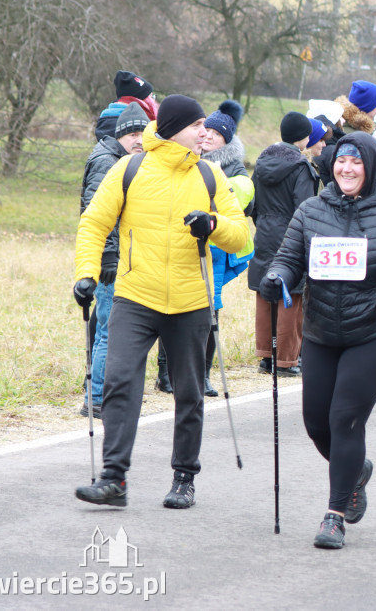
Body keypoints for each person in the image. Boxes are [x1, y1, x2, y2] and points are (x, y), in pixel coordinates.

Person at [73, 94, 250, 509]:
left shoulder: (209, 175)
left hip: (191, 302)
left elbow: (241, 234)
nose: (205, 132)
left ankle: (184, 478)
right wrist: (86, 273)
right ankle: (114, 480)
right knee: (119, 383)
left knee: (189, 393)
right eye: (197, 126)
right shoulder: (129, 169)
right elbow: (94, 223)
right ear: (174, 129)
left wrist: (213, 224)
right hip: (135, 297)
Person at [257, 132, 376, 549]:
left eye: (356, 162)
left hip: (374, 333)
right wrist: (277, 276)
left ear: (370, 167)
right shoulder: (311, 210)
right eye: (341, 161)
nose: (347, 168)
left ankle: (334, 514)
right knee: (316, 423)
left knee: (344, 419)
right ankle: (357, 470)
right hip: (320, 331)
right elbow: (288, 258)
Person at [78, 102, 149, 418]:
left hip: (121, 258)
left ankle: (103, 392)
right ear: (120, 134)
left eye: (143, 133)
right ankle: (95, 399)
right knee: (109, 329)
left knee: (110, 328)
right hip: (111, 263)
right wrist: (107, 256)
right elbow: (96, 214)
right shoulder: (108, 161)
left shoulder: (119, 159)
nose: (138, 139)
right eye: (132, 133)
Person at [249, 112, 321, 377]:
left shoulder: (261, 162)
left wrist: (264, 224)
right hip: (291, 234)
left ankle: (266, 356)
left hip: (265, 232)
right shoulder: (301, 167)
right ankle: (287, 360)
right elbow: (304, 208)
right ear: (304, 137)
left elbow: (253, 204)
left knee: (265, 292)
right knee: (292, 294)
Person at [198, 99, 255, 396]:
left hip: (216, 247)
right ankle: (167, 374)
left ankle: (203, 374)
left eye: (216, 133)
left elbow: (241, 201)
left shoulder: (233, 169)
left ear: (226, 140)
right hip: (185, 243)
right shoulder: (186, 157)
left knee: (210, 309)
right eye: (206, 130)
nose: (208, 136)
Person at [94, 70, 157, 141]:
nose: (154, 102)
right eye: (151, 97)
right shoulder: (133, 124)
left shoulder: (107, 119)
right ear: (141, 102)